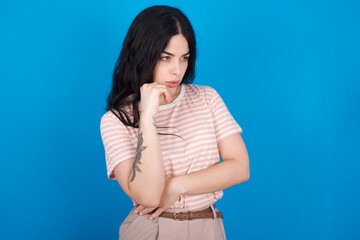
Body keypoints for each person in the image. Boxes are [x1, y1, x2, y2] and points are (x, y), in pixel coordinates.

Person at [100, 5, 249, 240]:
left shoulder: (207, 98)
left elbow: (240, 167)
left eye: (184, 58)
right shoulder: (116, 120)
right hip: (152, 229)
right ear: (142, 54)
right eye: (165, 58)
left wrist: (176, 185)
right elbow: (148, 197)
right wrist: (148, 117)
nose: (176, 71)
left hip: (207, 227)